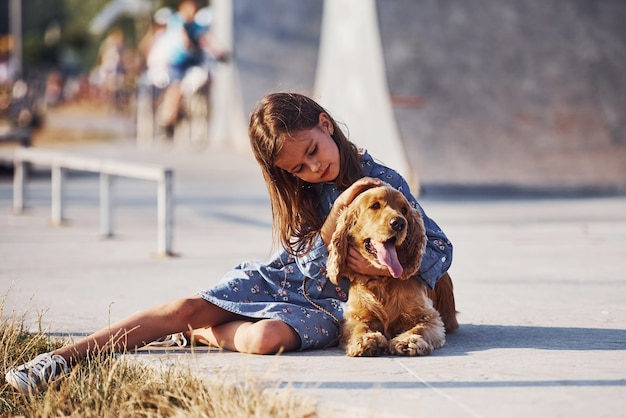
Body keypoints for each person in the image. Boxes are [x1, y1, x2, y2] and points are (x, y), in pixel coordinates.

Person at [5, 92, 453, 393]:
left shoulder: (384, 185)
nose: (313, 169)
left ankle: (197, 334)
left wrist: (387, 268)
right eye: (298, 168)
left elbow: (440, 248)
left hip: (333, 309)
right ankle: (61, 359)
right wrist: (335, 219)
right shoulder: (308, 196)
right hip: (282, 281)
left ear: (325, 125)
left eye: (313, 151)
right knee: (186, 307)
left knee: (265, 339)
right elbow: (305, 265)